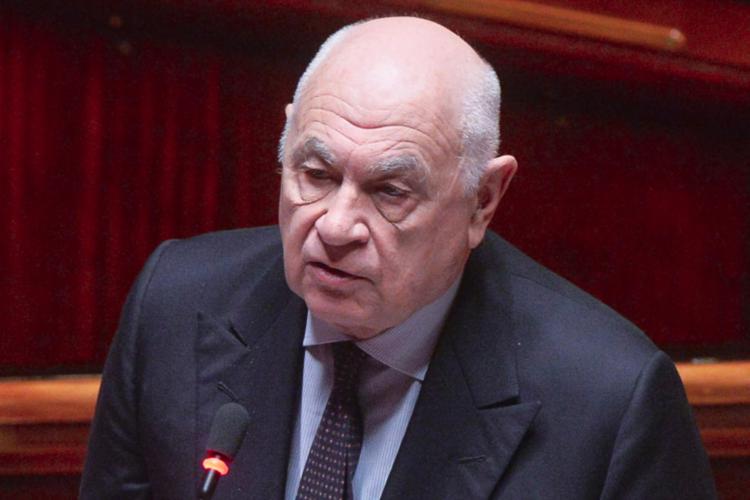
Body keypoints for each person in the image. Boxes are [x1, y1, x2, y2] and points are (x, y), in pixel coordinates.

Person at [81, 16, 716, 499]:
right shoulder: (175, 305)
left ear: (483, 200)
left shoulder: (610, 402)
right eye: (316, 173)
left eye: (390, 192)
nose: (335, 227)